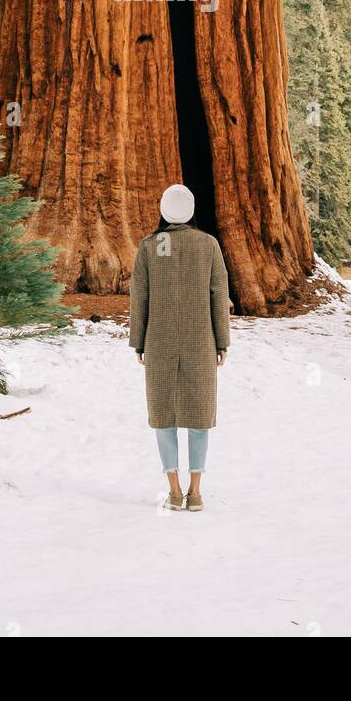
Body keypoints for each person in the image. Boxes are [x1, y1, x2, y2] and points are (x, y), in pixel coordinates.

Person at [129, 183, 231, 512]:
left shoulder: (150, 246)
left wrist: (138, 342)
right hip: (201, 342)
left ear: (163, 210)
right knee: (200, 418)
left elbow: (139, 298)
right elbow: (219, 295)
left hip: (158, 342)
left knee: (164, 416)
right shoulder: (209, 245)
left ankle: (173, 491)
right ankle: (196, 491)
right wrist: (222, 340)